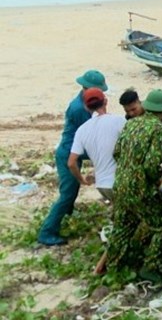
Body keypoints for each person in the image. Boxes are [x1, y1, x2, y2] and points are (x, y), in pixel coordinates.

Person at [104, 89, 162, 282]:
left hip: (120, 183)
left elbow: (116, 153)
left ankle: (113, 266)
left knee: (122, 226)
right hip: (140, 188)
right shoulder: (159, 129)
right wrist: (156, 179)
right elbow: (151, 164)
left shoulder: (131, 124)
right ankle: (151, 266)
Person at [38, 69, 108, 246]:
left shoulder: (84, 101)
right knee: (67, 193)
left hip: (75, 149)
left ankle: (67, 212)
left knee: (71, 189)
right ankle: (47, 232)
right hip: (70, 152)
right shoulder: (79, 109)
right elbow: (91, 133)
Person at [67, 88, 126, 202]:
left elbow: (71, 162)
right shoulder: (119, 121)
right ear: (105, 101)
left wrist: (81, 180)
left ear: (86, 107)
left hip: (101, 185)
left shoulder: (81, 130)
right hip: (119, 181)